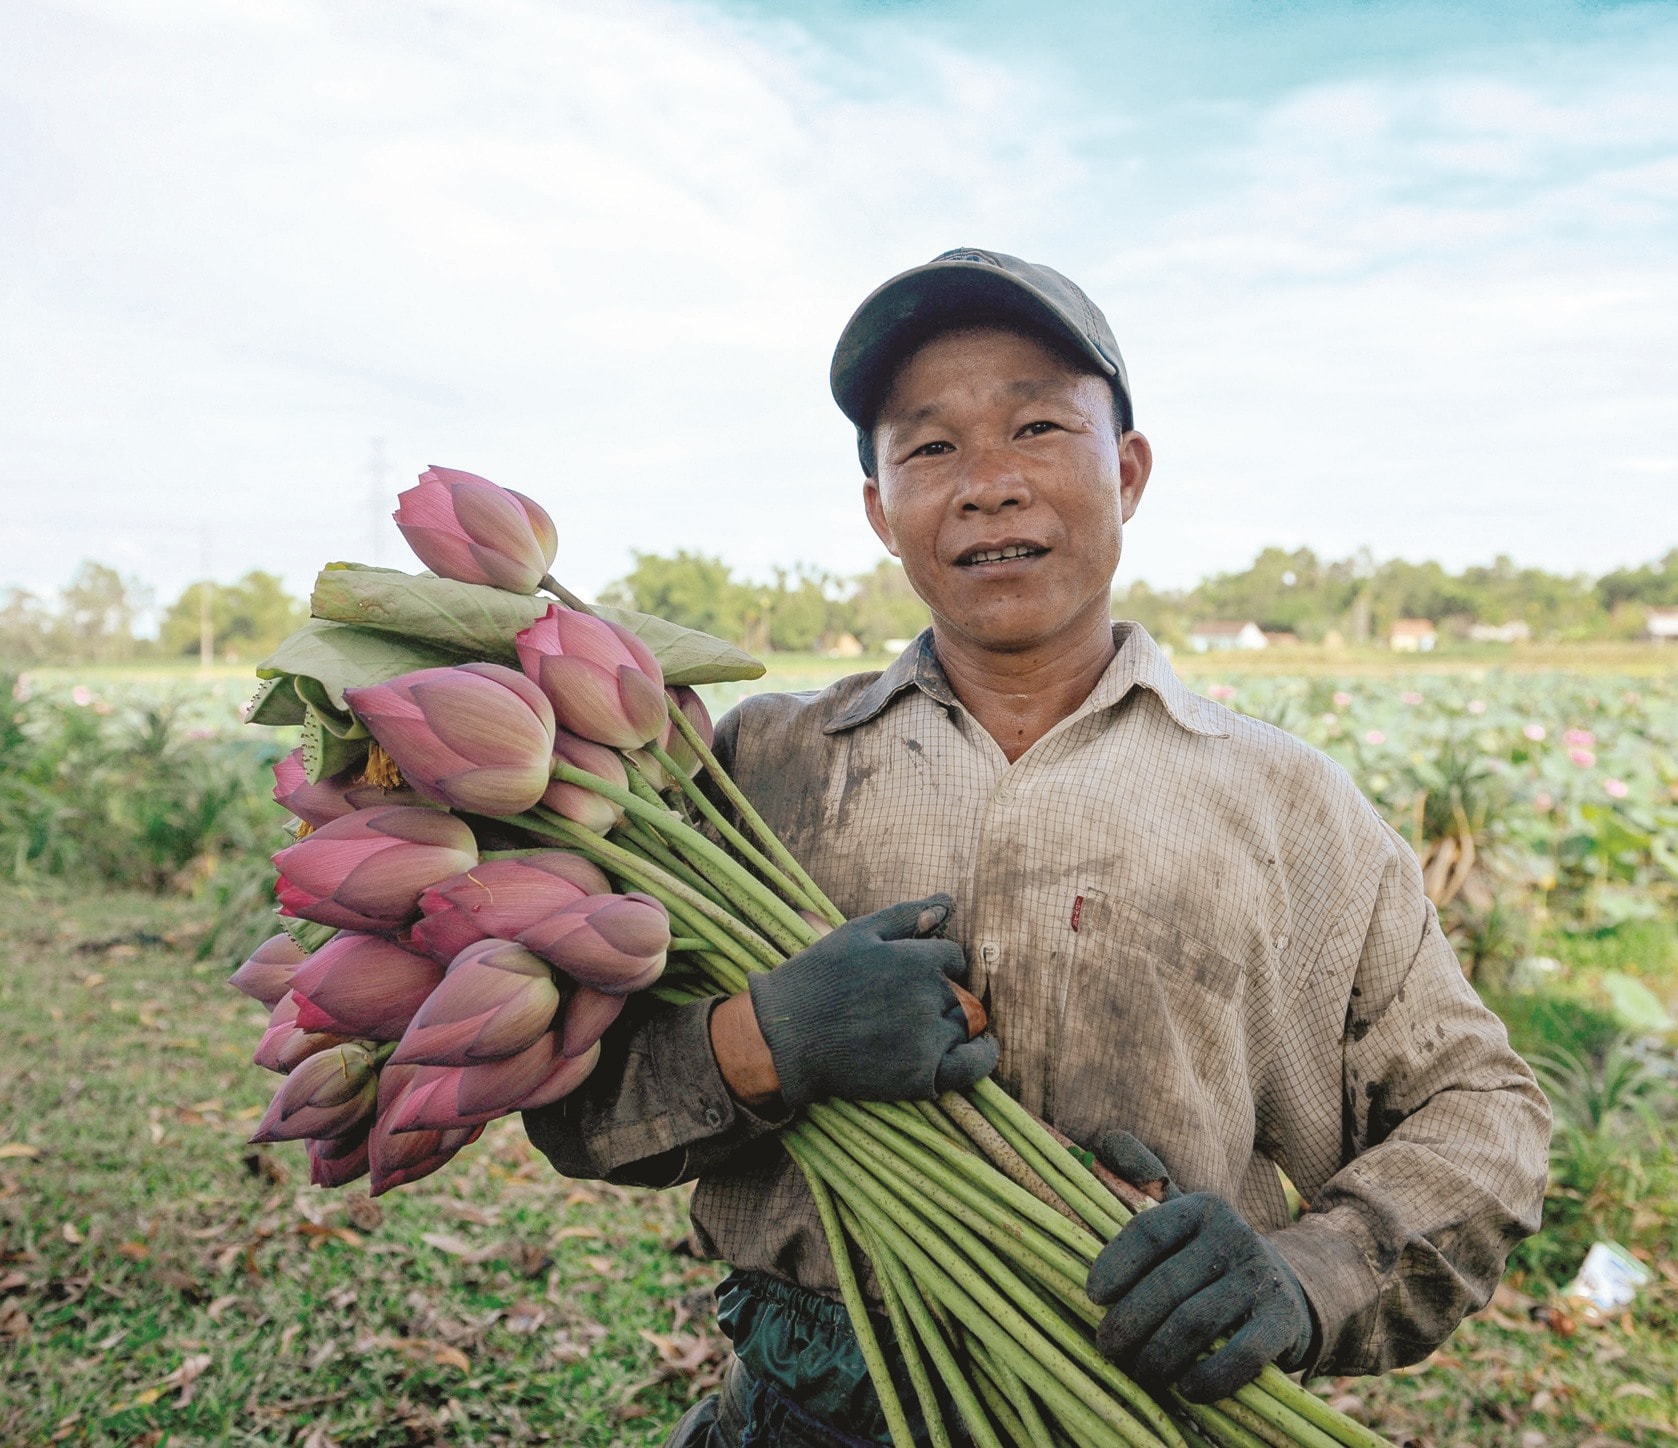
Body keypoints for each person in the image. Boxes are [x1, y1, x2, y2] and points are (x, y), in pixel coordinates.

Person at [525, 248, 1552, 1446]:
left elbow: (1481, 1106)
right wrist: (771, 1037)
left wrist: (1305, 1273)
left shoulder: (1284, 805)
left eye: (1035, 427)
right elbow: (577, 1107)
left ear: (1126, 471)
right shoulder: (751, 775)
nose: (988, 485)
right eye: (929, 447)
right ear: (877, 509)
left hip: (1146, 1412)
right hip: (810, 1412)